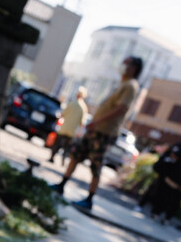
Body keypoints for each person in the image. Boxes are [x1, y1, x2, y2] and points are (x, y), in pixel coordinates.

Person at [52, 56, 143, 210]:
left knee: (96, 164)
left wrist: (97, 122)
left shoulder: (131, 86)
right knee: (76, 154)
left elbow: (121, 108)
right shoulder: (123, 84)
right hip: (95, 129)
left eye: (126, 63)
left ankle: (89, 199)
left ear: (133, 68)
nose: (122, 65)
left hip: (104, 132)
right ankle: (62, 184)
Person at [49, 87, 88, 163]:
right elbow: (82, 123)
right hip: (72, 131)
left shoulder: (71, 103)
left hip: (64, 128)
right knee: (67, 147)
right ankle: (63, 159)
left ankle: (52, 157)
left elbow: (62, 115)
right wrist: (79, 132)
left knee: (57, 144)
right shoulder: (83, 107)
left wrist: (56, 123)